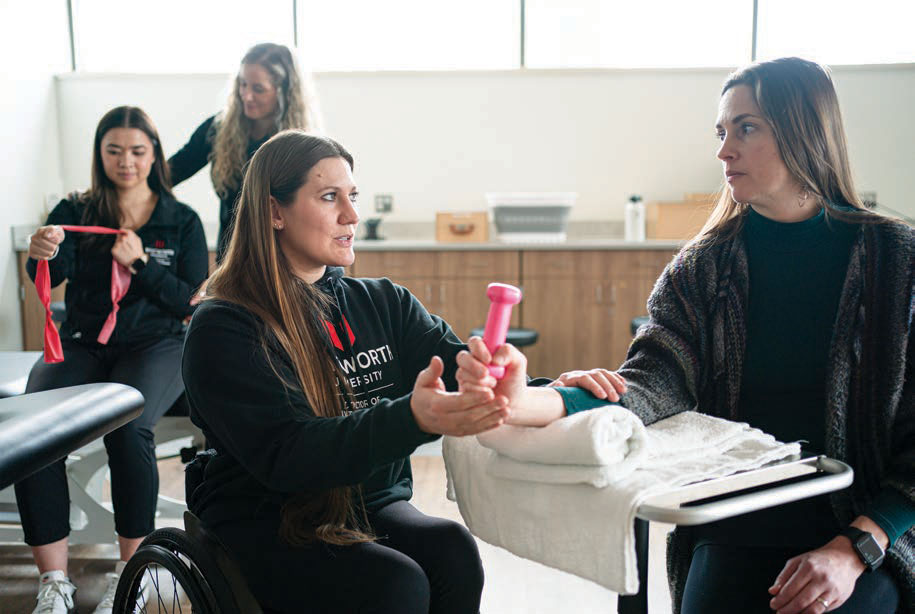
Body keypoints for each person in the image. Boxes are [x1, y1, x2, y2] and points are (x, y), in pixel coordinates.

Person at [458, 57, 914, 614]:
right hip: (733, 521)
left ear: (804, 131)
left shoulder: (897, 263)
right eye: (722, 132)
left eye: (746, 128)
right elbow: (653, 382)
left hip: (864, 531)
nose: (725, 150)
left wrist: (856, 547)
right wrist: (531, 401)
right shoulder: (705, 267)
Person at [184, 130, 560, 614]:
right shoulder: (224, 327)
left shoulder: (384, 303)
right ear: (274, 212)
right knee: (394, 584)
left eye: (353, 196)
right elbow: (289, 456)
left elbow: (462, 373)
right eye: (328, 197)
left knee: (453, 551)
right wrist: (413, 417)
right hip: (266, 515)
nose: (352, 216)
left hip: (367, 502)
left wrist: (550, 390)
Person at [17, 106, 209, 614]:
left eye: (138, 151)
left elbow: (191, 300)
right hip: (83, 343)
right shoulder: (76, 209)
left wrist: (141, 264)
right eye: (114, 150)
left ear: (154, 156)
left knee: (129, 428)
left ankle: (131, 576)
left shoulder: (181, 220)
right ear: (100, 155)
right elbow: (47, 275)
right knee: (35, 430)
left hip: (157, 345)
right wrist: (41, 251)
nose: (126, 161)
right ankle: (54, 582)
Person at [169, 42, 321, 261]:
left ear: (284, 91)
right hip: (231, 260)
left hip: (283, 261)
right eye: (243, 85)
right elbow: (171, 172)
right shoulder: (217, 130)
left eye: (258, 89)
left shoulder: (301, 144)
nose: (247, 96)